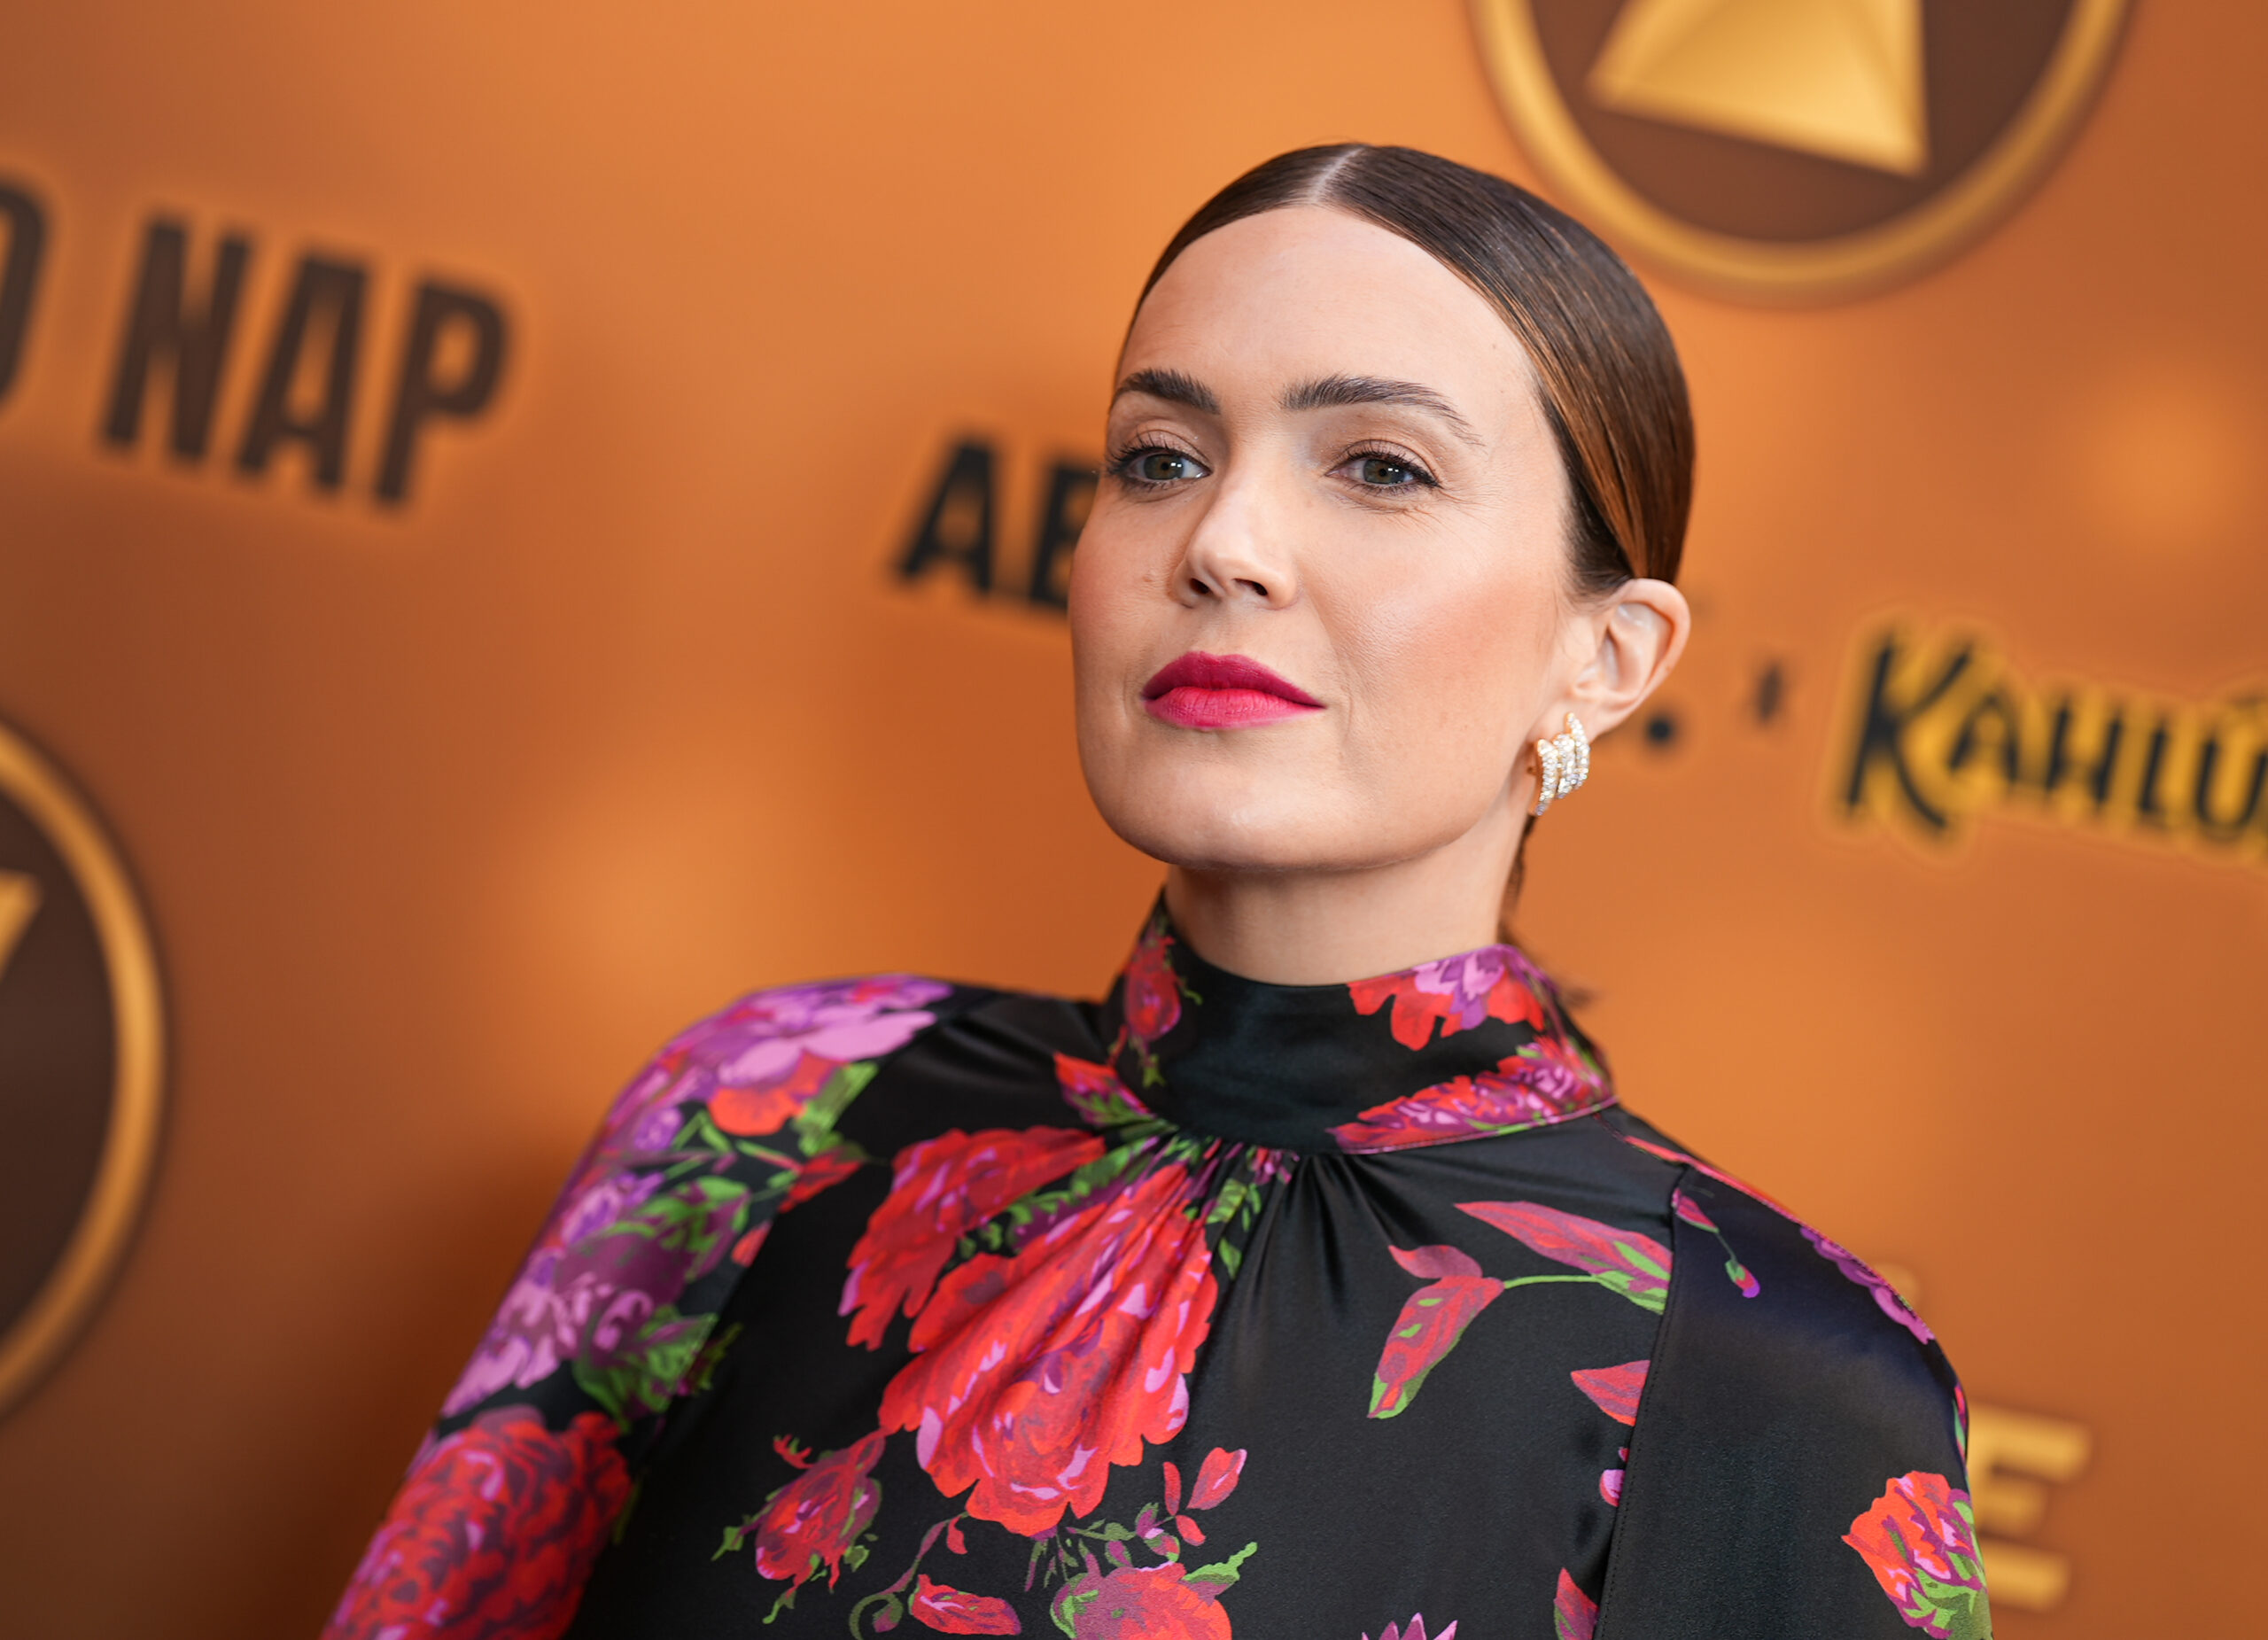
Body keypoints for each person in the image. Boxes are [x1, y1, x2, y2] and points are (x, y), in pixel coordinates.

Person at [323, 145, 1986, 1640]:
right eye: (1161, 454)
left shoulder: (1765, 1378)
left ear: (1607, 659)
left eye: (1382, 469)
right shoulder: (772, 1109)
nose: (1226, 540)